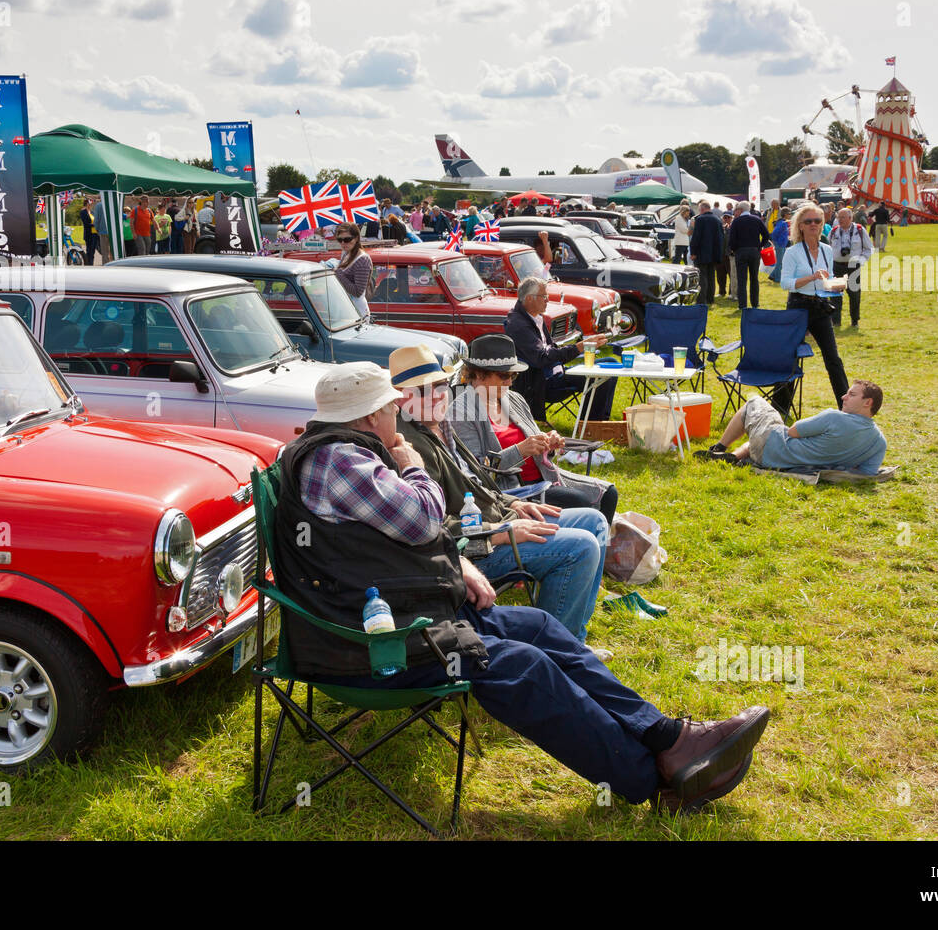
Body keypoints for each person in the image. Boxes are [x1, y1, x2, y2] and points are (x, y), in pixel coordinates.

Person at [280, 361, 770, 812]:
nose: (396, 411)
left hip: (403, 612)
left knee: (537, 626)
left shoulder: (347, 453)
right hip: (370, 642)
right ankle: (653, 778)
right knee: (522, 667)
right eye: (390, 404)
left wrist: (457, 563)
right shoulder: (340, 461)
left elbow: (379, 541)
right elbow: (424, 517)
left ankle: (667, 737)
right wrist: (409, 461)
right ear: (368, 417)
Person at [390, 347, 610, 648]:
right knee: (580, 548)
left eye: (440, 385)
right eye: (423, 391)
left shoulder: (438, 426)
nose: (438, 395)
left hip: (498, 517)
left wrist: (513, 503)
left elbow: (478, 482)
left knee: (595, 521)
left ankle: (573, 642)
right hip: (474, 548)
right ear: (401, 397)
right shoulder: (409, 446)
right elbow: (432, 527)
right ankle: (559, 650)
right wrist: (501, 534)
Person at [450, 335, 618, 522]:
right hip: (512, 491)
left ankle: (601, 549)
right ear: (479, 374)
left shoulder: (513, 399)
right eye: (504, 376)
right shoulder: (461, 412)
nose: (510, 382)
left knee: (609, 493)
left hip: (545, 477)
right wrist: (520, 450)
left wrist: (549, 442)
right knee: (582, 503)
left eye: (513, 375)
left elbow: (535, 442)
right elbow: (477, 471)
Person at [696, 380, 886, 475]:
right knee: (765, 430)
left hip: (770, 447)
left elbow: (793, 431)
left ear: (867, 402)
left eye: (851, 395)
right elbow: (865, 473)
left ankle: (719, 447)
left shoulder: (834, 417)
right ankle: (734, 456)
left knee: (754, 402)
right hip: (785, 462)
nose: (844, 397)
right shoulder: (878, 442)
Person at [504, 277, 613, 421]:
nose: (547, 300)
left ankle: (602, 421)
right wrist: (580, 347)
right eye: (544, 296)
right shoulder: (518, 324)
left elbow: (550, 349)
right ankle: (590, 426)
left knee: (609, 364)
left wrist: (579, 347)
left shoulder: (535, 317)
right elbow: (541, 358)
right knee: (599, 376)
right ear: (529, 298)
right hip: (543, 382)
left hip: (556, 372)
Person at [775, 202, 849, 410]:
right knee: (791, 358)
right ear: (800, 226)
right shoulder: (793, 252)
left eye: (817, 221)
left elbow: (829, 277)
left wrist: (836, 285)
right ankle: (780, 408)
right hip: (798, 306)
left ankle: (846, 407)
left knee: (833, 359)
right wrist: (811, 277)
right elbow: (785, 283)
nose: (814, 225)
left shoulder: (826, 250)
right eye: (808, 222)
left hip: (820, 306)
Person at [828, 207, 873, 327]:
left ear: (850, 218)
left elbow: (869, 249)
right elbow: (827, 248)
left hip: (853, 266)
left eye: (843, 217)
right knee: (835, 295)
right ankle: (836, 321)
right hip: (837, 266)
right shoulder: (834, 231)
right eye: (839, 217)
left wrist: (861, 261)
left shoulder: (859, 230)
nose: (840, 219)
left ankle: (855, 321)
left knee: (854, 295)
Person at [729, 200, 771, 309]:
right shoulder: (757, 220)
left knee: (742, 280)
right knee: (754, 279)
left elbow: (732, 239)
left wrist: (734, 249)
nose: (735, 212)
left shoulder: (736, 221)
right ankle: (755, 303)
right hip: (754, 251)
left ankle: (742, 305)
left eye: (737, 209)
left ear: (741, 210)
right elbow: (766, 235)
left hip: (741, 251)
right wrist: (760, 246)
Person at [333, 221, 373, 318]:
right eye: (340, 240)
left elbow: (357, 292)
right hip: (346, 311)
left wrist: (338, 273)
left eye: (347, 239)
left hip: (357, 314)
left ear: (356, 238)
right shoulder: (346, 253)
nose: (343, 243)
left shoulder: (363, 260)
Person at [688, 200, 723, 305]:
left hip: (701, 253)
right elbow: (721, 238)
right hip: (713, 253)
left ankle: (701, 300)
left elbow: (696, 237)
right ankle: (710, 299)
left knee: (702, 277)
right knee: (711, 277)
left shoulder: (700, 219)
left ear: (702, 209)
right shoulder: (717, 220)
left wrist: (693, 252)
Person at [79, 198, 97, 267]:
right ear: (86, 204)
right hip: (89, 234)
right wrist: (94, 225)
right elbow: (86, 224)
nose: (91, 204)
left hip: (95, 234)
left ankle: (91, 264)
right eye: (90, 203)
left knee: (93, 251)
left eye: (91, 203)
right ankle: (88, 265)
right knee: (89, 251)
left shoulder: (92, 212)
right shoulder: (83, 212)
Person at [93, 197, 110, 265]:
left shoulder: (99, 205)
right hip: (114, 232)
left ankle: (106, 267)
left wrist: (97, 229)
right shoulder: (113, 203)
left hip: (103, 231)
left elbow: (96, 219)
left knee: (105, 253)